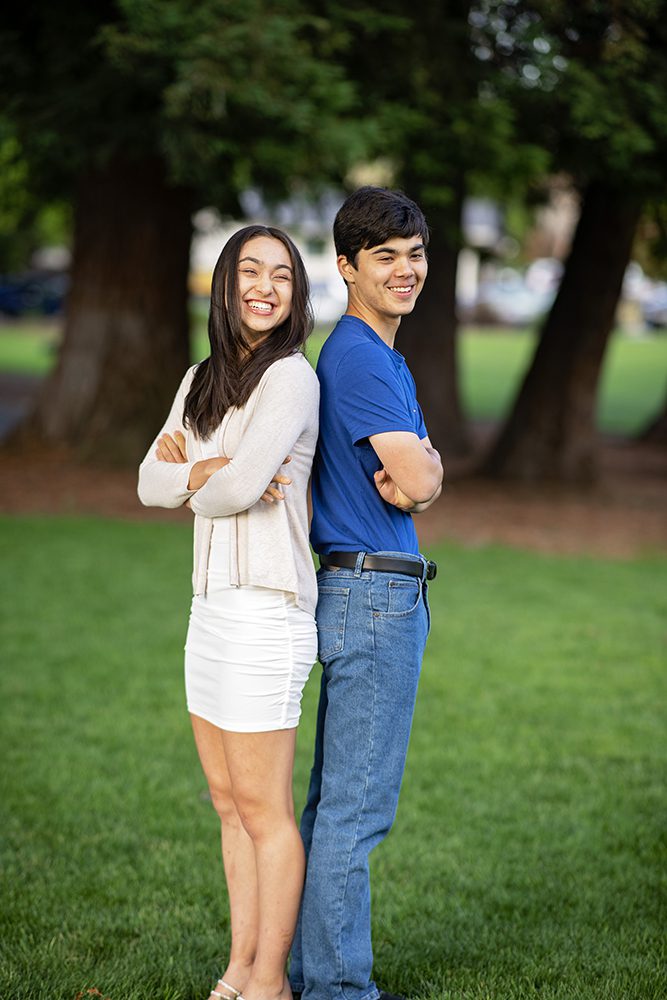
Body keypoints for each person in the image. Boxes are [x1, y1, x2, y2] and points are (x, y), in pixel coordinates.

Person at [138, 225, 320, 1000]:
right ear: (226, 282)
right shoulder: (200, 379)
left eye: (281, 274)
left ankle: (269, 983)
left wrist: (202, 474)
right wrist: (212, 469)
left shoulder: (291, 379)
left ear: (295, 292)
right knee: (226, 805)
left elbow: (238, 492)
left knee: (263, 809)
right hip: (209, 608)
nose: (265, 286)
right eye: (251, 269)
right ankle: (239, 969)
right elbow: (147, 482)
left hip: (267, 614)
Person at [289, 187, 443, 1000]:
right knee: (355, 813)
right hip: (372, 597)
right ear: (347, 267)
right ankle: (338, 989)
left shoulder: (383, 355)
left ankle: (309, 973)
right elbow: (419, 475)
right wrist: (421, 473)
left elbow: (419, 478)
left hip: (367, 593)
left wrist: (419, 475)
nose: (404, 270)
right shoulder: (357, 355)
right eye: (384, 257)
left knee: (336, 809)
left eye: (414, 254)